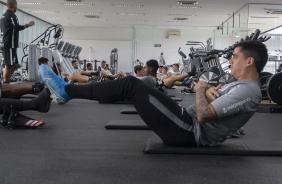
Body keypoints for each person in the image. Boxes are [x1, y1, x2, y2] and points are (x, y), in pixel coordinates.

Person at [38, 41, 267, 147]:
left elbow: (204, 115)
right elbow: (209, 100)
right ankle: (67, 91)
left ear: (249, 61)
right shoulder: (239, 86)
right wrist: (205, 90)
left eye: (234, 57)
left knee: (131, 84)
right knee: (129, 86)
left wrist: (200, 89)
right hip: (185, 121)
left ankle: (66, 90)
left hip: (187, 131)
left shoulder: (249, 90)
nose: (230, 60)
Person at [0, 0, 35, 83]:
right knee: (8, 65)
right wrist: (28, 25)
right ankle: (5, 83)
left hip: (6, 43)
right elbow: (16, 27)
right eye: (16, 5)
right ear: (14, 5)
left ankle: (7, 78)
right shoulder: (12, 16)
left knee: (16, 65)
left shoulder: (3, 16)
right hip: (9, 44)